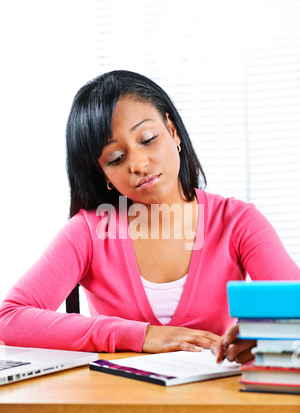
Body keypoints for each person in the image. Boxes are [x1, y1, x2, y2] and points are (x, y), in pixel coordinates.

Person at [0, 70, 299, 364]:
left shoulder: (237, 222)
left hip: (214, 406)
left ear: (172, 130)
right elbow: (9, 318)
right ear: (103, 174)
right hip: (118, 407)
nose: (139, 164)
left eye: (147, 138)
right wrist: (142, 335)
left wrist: (268, 334)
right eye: (116, 158)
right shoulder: (90, 232)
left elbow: (295, 307)